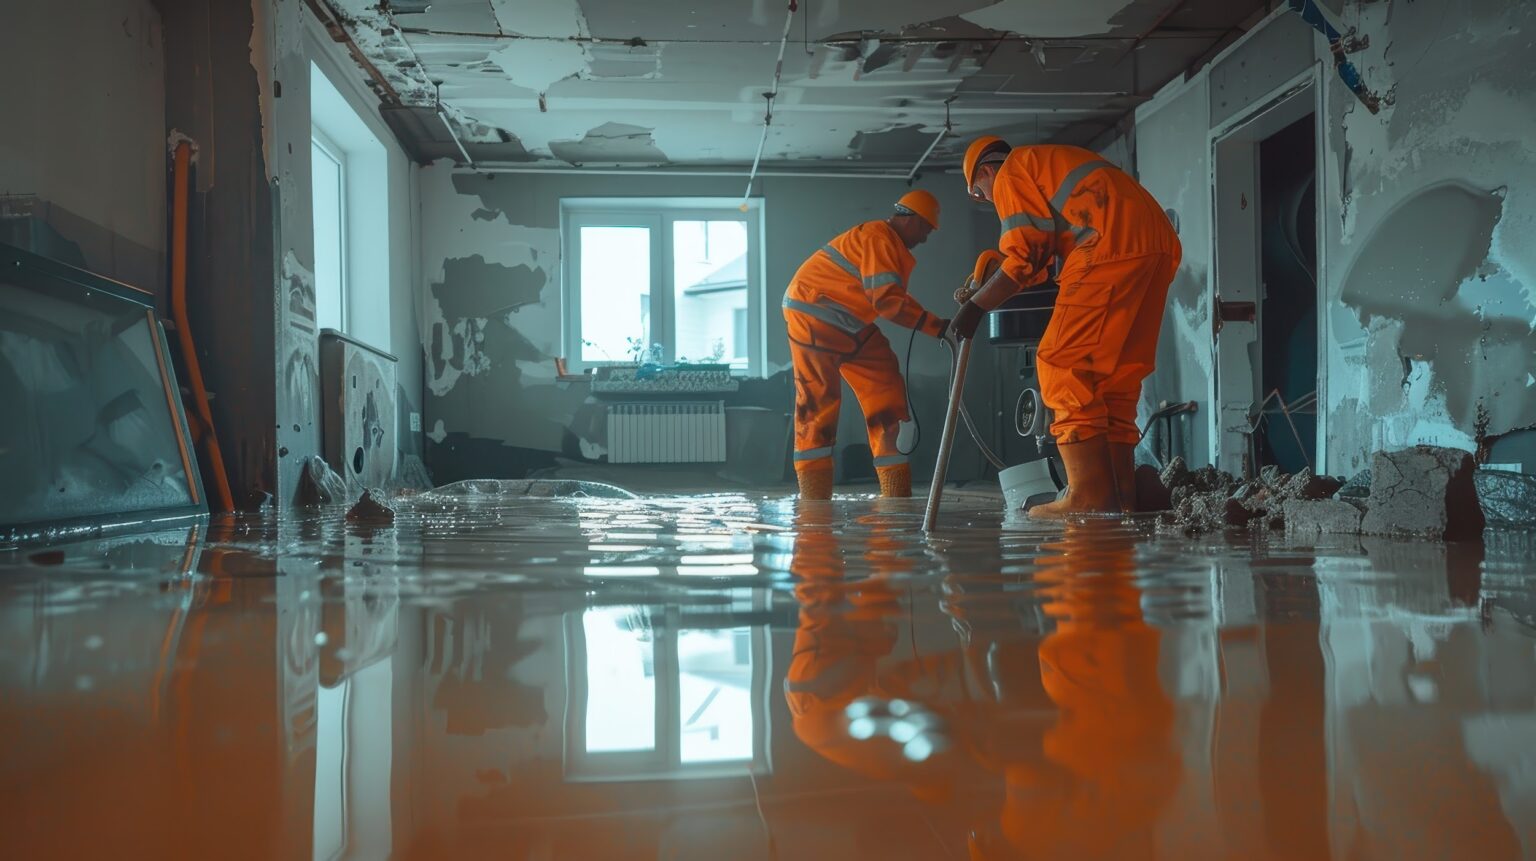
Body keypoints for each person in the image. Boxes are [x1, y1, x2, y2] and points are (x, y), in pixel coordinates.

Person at [949, 137, 1182, 518]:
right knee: (1114, 379)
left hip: (1107, 245)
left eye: (979, 193)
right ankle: (1122, 496)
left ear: (986, 171)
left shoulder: (1011, 172)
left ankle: (1088, 495)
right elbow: (1035, 263)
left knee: (1061, 361)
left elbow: (1023, 259)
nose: (987, 200)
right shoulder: (1049, 163)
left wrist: (975, 307)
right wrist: (992, 275)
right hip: (1156, 243)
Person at [783, 189, 950, 500]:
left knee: (885, 380)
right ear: (910, 219)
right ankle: (814, 499)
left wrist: (935, 324)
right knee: (818, 402)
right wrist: (936, 326)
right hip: (814, 314)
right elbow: (887, 302)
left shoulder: (886, 242)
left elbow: (889, 296)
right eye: (926, 228)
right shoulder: (878, 235)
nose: (926, 238)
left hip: (850, 321)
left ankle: (895, 488)